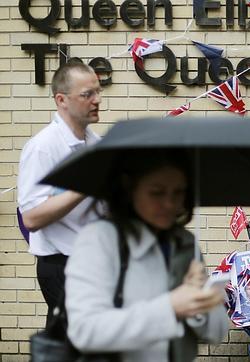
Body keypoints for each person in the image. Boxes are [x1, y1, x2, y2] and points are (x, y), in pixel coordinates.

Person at [64, 151, 229, 362]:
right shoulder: (99, 240)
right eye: (157, 192)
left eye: (178, 192)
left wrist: (199, 303)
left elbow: (216, 334)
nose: (170, 204)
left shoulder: (184, 243)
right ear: (128, 187)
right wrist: (170, 308)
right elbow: (84, 331)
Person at [17, 62, 102, 329]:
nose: (97, 100)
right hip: (61, 266)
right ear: (61, 100)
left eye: (98, 92)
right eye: (87, 94)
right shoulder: (43, 148)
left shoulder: (94, 143)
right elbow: (31, 217)